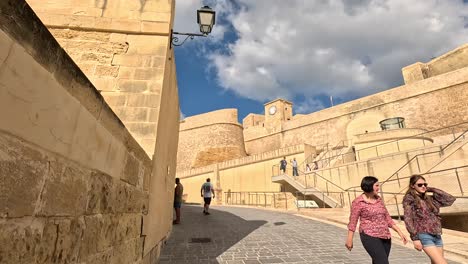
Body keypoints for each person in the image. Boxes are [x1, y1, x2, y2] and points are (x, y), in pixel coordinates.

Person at [346, 176, 408, 264]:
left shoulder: (379, 199)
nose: (379, 188)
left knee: (378, 262)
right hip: (369, 235)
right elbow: (353, 221)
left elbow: (387, 217)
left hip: (385, 235)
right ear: (369, 185)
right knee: (383, 262)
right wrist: (349, 239)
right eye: (377, 186)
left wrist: (399, 232)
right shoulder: (358, 202)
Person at [403, 175, 456, 264]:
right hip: (424, 235)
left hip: (437, 235)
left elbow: (450, 199)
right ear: (412, 186)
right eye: (419, 185)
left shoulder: (430, 199)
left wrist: (432, 189)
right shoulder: (409, 199)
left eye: (425, 184)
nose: (423, 186)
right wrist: (415, 238)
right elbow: (408, 219)